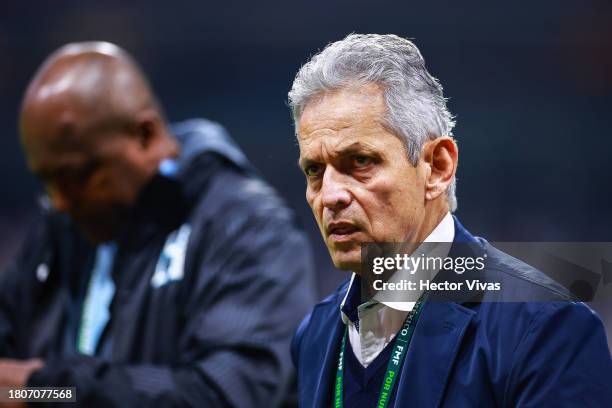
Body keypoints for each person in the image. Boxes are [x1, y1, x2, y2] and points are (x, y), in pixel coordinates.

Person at [288, 34, 612, 407]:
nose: (329, 196)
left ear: (437, 167)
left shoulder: (545, 328)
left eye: (360, 162)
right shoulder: (313, 334)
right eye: (315, 170)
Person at [0, 41, 316, 407]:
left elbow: (235, 393)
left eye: (77, 175)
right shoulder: (64, 223)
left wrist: (43, 389)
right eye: (48, 181)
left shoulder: (246, 225)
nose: (59, 200)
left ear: (145, 136)